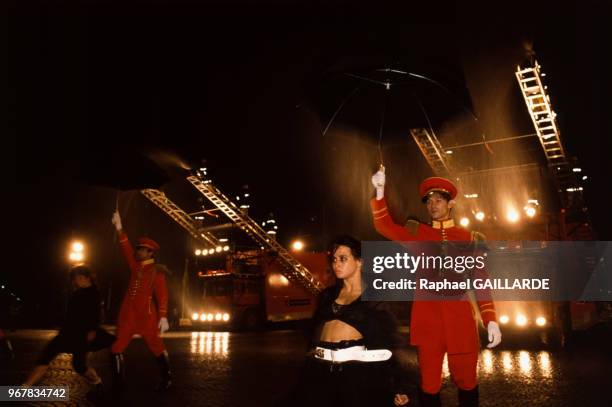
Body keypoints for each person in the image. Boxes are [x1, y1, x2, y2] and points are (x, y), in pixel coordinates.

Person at [371, 168, 502, 407]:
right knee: (429, 385)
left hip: (460, 322)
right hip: (428, 323)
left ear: (450, 203)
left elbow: (481, 281)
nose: (432, 205)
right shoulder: (417, 232)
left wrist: (490, 318)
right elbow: (384, 226)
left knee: (467, 382)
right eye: (428, 201)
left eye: (438, 200)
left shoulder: (469, 238)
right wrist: (380, 191)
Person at [286, 235, 412, 407]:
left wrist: (398, 386)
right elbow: (312, 336)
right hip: (320, 372)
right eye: (334, 259)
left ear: (360, 261)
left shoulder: (374, 297)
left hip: (355, 376)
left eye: (343, 259)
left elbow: (388, 342)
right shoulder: (327, 296)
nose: (336, 263)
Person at [23, 265, 115, 399]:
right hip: (67, 332)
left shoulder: (93, 293)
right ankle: (24, 388)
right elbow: (71, 313)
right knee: (46, 355)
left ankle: (98, 382)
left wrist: (92, 330)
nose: (74, 281)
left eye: (77, 278)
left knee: (79, 365)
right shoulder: (77, 292)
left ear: (85, 278)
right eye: (74, 278)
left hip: (81, 335)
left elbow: (95, 313)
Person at [110, 210, 171, 394]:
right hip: (128, 314)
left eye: (141, 249)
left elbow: (162, 295)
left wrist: (163, 316)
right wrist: (119, 227)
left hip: (147, 316)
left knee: (156, 347)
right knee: (116, 347)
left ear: (150, 252)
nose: (137, 251)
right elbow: (126, 248)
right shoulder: (136, 266)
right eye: (138, 248)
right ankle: (119, 383)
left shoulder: (157, 272)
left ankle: (167, 378)